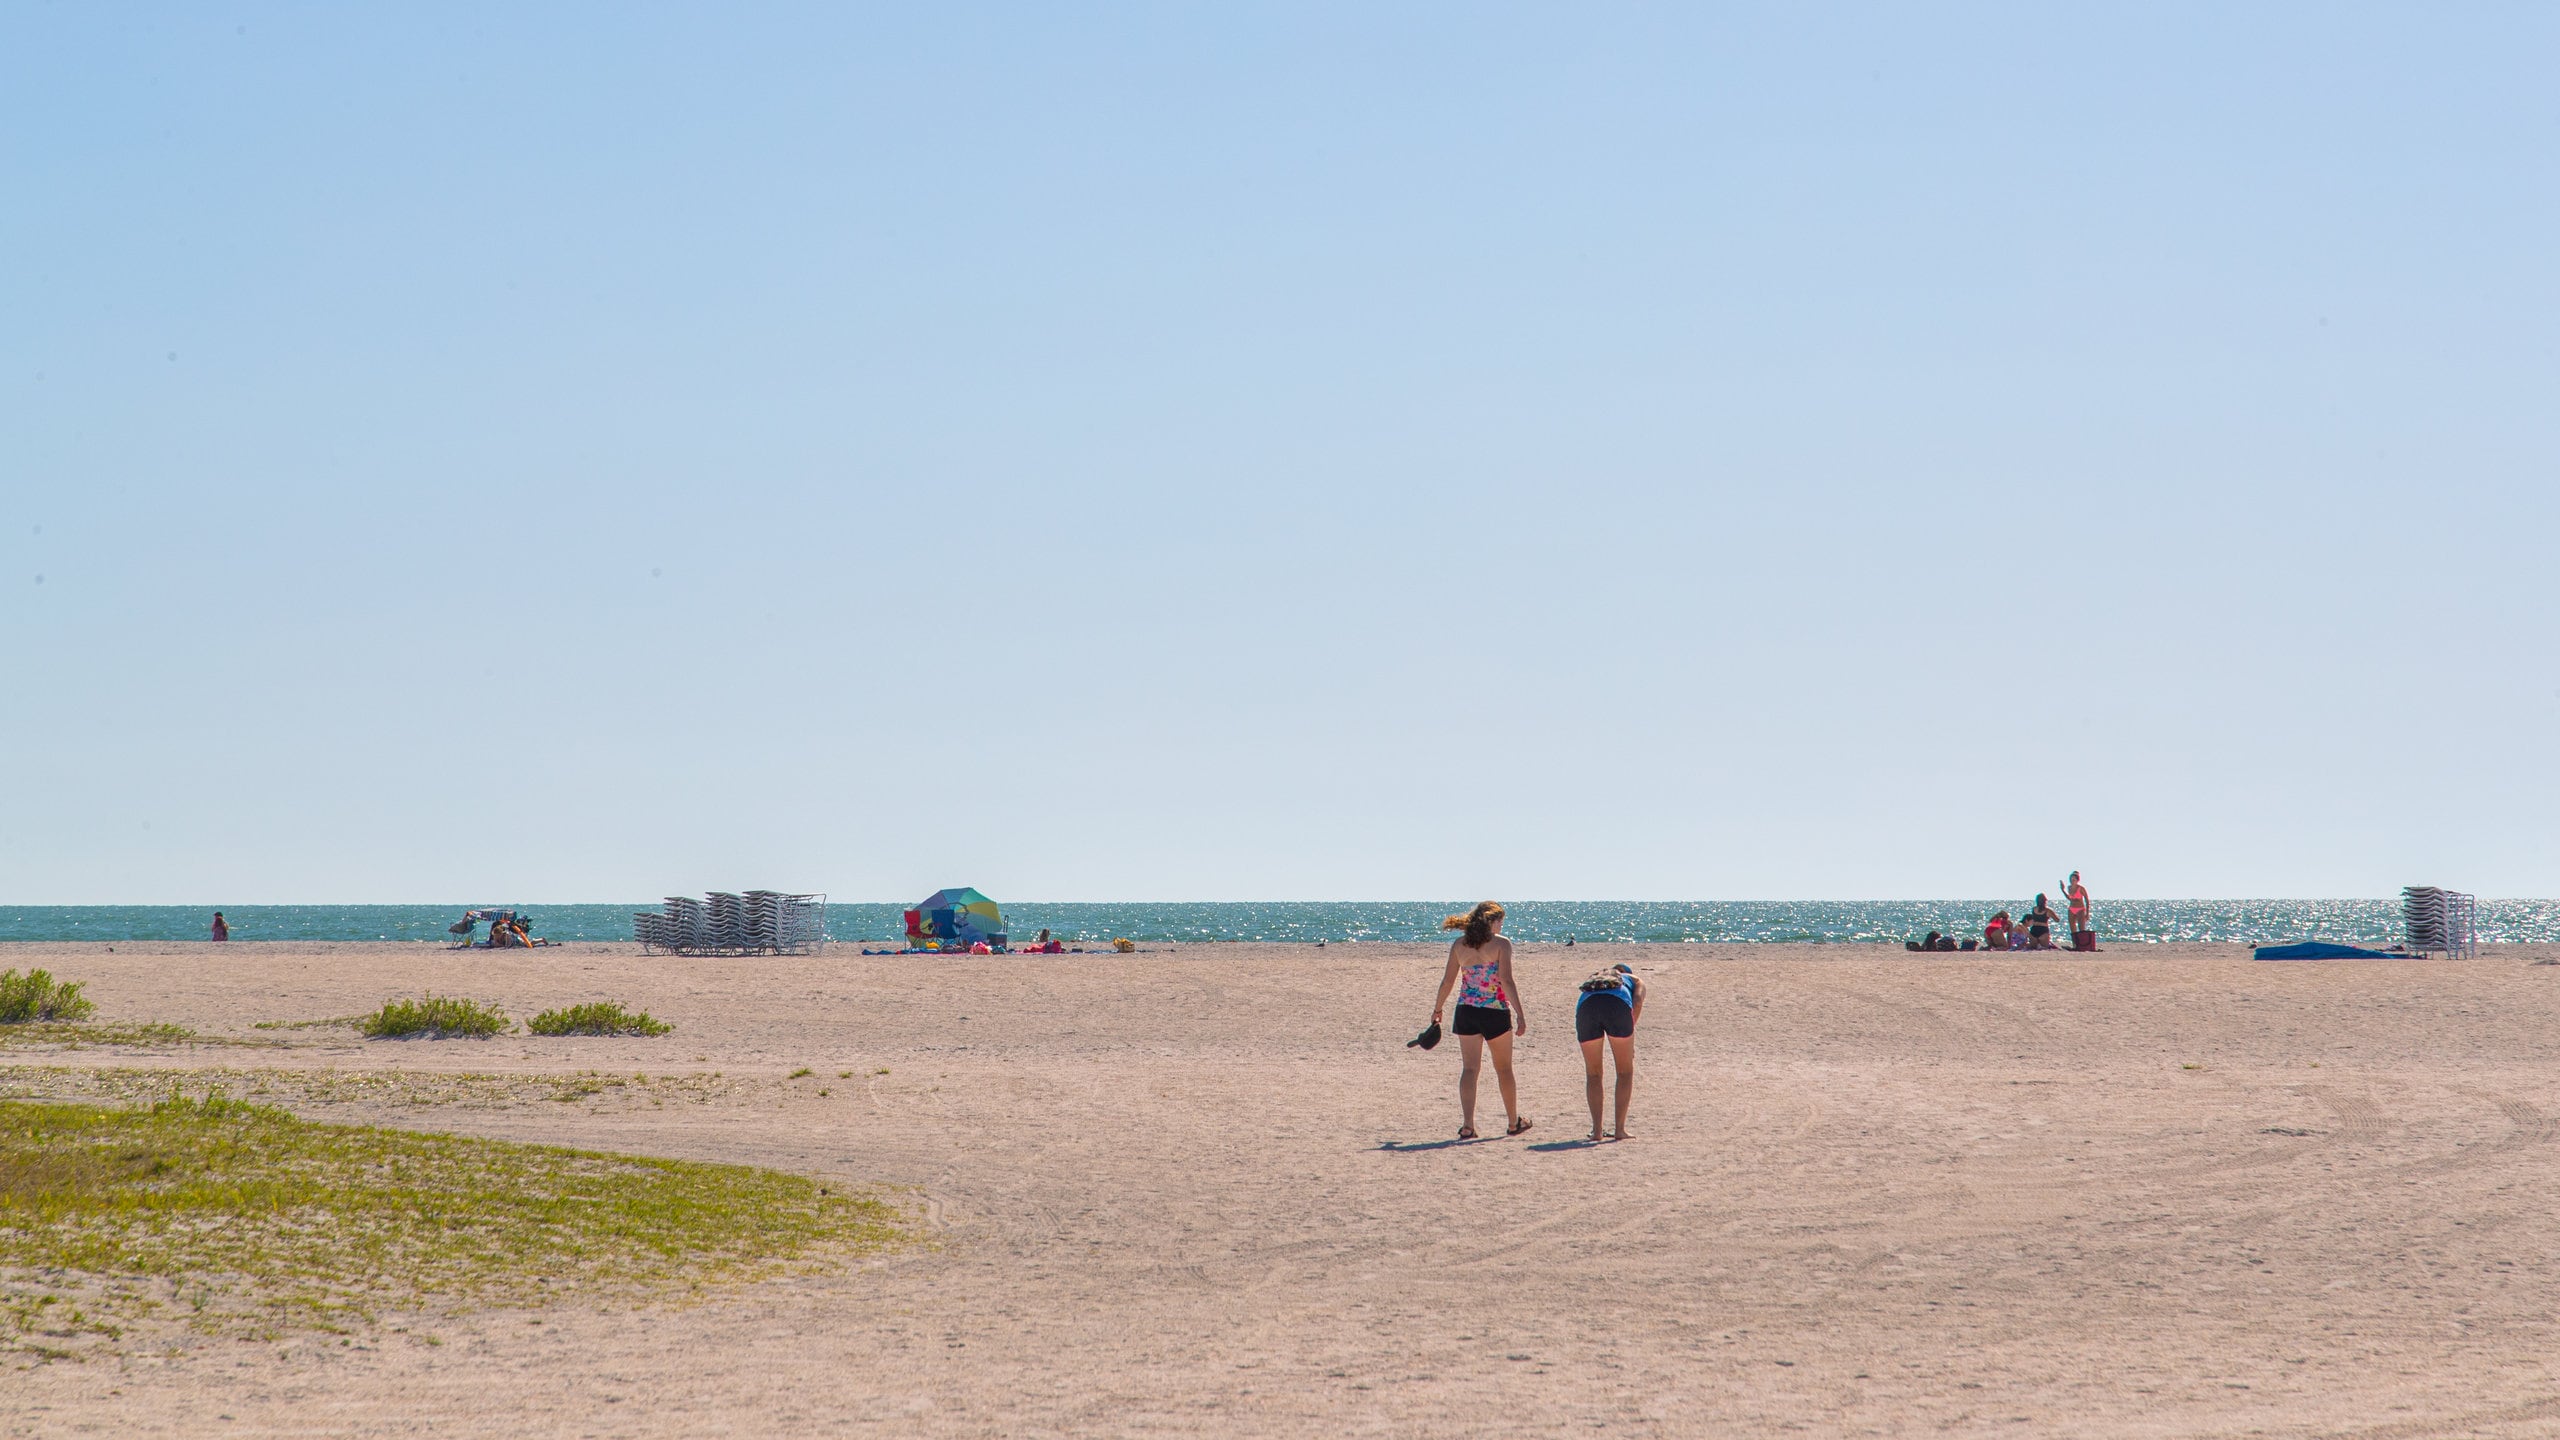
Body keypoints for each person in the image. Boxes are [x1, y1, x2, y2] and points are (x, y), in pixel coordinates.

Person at [1429, 901, 1530, 1140]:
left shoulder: (1459, 944)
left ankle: (1467, 1125)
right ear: (1491, 921)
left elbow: (1447, 982)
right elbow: (1506, 980)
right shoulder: (1501, 944)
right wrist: (1520, 1013)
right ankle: (1513, 1122)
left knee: (1470, 1069)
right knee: (1504, 1069)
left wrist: (1438, 1008)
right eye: (1500, 921)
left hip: (1466, 1011)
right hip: (1494, 1010)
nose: (1502, 925)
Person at [1575, 962, 1645, 1141]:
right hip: (1617, 1005)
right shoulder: (1635, 980)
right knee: (1624, 1071)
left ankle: (1597, 1131)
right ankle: (1619, 1130)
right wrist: (1628, 1034)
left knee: (1593, 1073)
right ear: (1628, 973)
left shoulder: (1597, 977)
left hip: (1586, 1007)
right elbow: (1636, 1003)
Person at [2063, 871, 2091, 940]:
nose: (2072, 881)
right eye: (2070, 880)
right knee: (2073, 929)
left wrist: (2087, 913)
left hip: (2080, 909)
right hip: (2071, 909)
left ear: (2077, 880)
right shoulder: (2069, 888)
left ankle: (2083, 944)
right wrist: (2062, 890)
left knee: (2081, 929)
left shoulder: (2081, 888)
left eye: (2073, 880)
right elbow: (2070, 899)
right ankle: (2075, 944)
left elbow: (2087, 900)